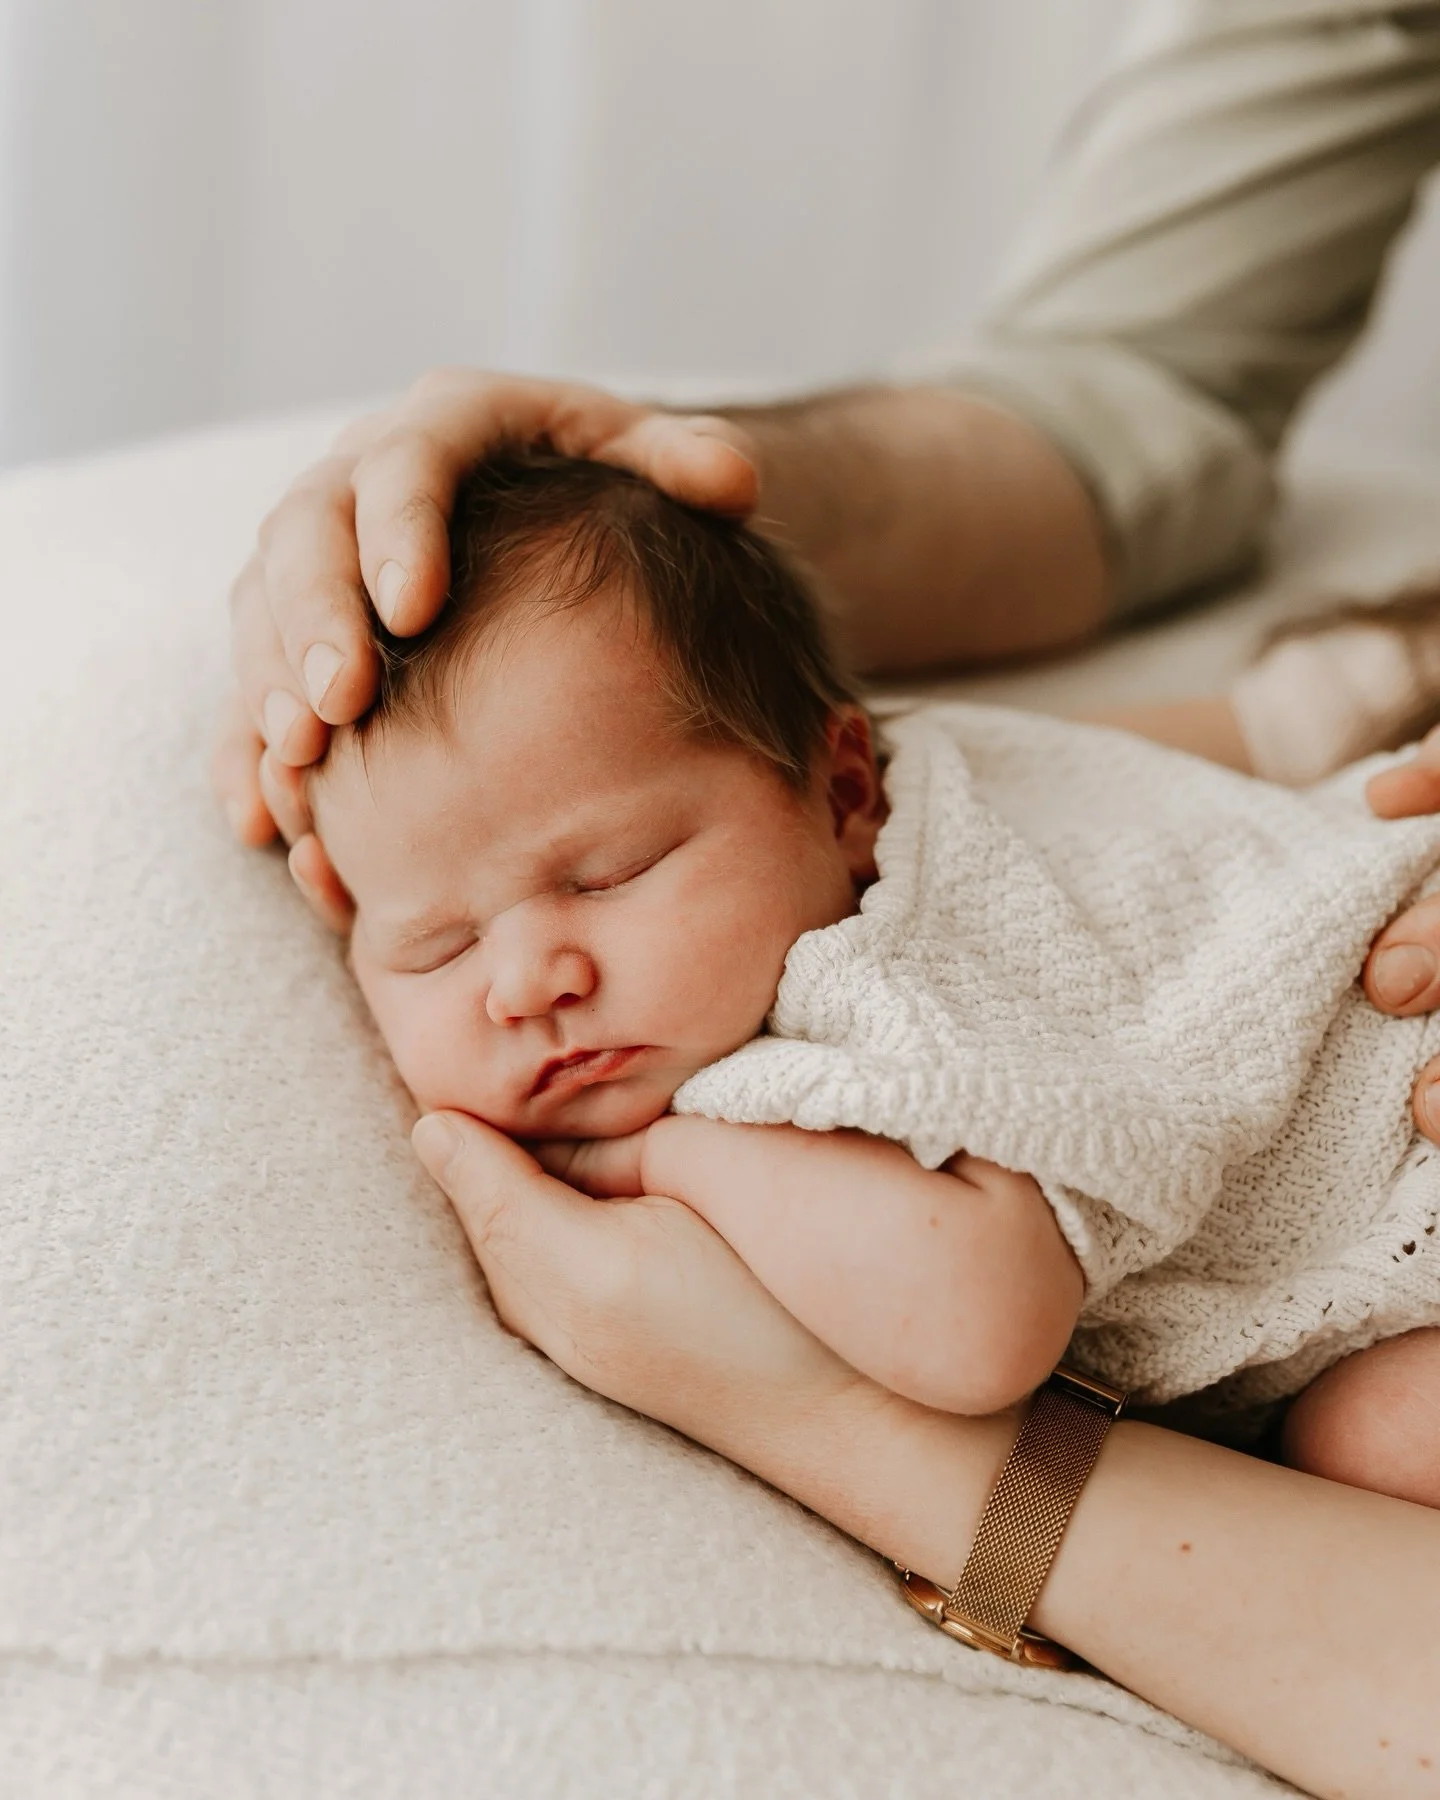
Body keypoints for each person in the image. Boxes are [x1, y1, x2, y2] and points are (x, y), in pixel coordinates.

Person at [209, 3, 1440, 1789]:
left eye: (612, 870)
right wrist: (655, 486)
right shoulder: (925, 791)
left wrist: (662, 1162)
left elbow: (977, 1319)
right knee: (1370, 1427)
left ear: (844, 792)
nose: (533, 978)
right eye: (433, 943)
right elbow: (1134, 387)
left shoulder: (863, 1007)